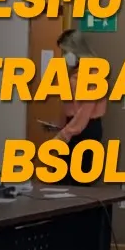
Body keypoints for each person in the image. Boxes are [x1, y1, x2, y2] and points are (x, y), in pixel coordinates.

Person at [51, 29, 108, 185]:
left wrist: (64, 135)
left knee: (77, 183)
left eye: (65, 52)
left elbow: (85, 112)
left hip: (85, 130)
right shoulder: (76, 72)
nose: (63, 56)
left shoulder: (93, 73)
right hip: (74, 128)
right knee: (61, 180)